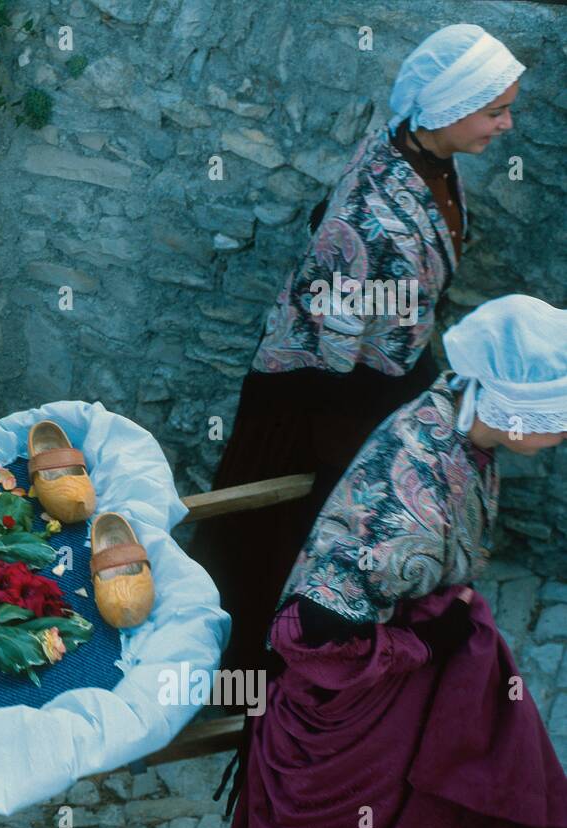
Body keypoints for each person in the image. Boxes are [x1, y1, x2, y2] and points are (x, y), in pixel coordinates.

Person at [189, 24, 525, 677]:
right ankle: (271, 673)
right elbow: (341, 346)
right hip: (326, 385)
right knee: (302, 529)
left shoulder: (426, 154)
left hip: (379, 367)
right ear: (450, 110)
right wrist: (370, 448)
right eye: (495, 110)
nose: (507, 124)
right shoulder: (376, 220)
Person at [221, 294, 567, 828]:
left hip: (400, 660)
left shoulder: (453, 408)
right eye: (560, 420)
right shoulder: (413, 500)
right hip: (347, 712)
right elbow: (309, 632)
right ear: (516, 411)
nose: (565, 434)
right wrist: (428, 643)